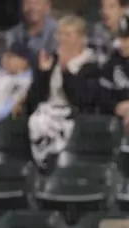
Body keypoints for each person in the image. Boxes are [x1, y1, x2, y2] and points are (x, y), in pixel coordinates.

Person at [26, 15, 99, 170]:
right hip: (47, 112)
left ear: (81, 38)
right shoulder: (52, 61)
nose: (63, 39)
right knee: (37, 121)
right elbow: (33, 99)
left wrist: (66, 72)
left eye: (68, 34)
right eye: (60, 34)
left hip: (74, 117)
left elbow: (81, 99)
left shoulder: (91, 65)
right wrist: (43, 74)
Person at [0, 43, 33, 128]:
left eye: (10, 57)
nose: (5, 59)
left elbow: (9, 107)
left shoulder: (25, 81)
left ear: (24, 61)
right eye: (5, 56)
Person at [89, 0, 129, 65]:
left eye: (111, 7)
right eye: (102, 7)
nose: (105, 12)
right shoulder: (96, 30)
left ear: (122, 9)